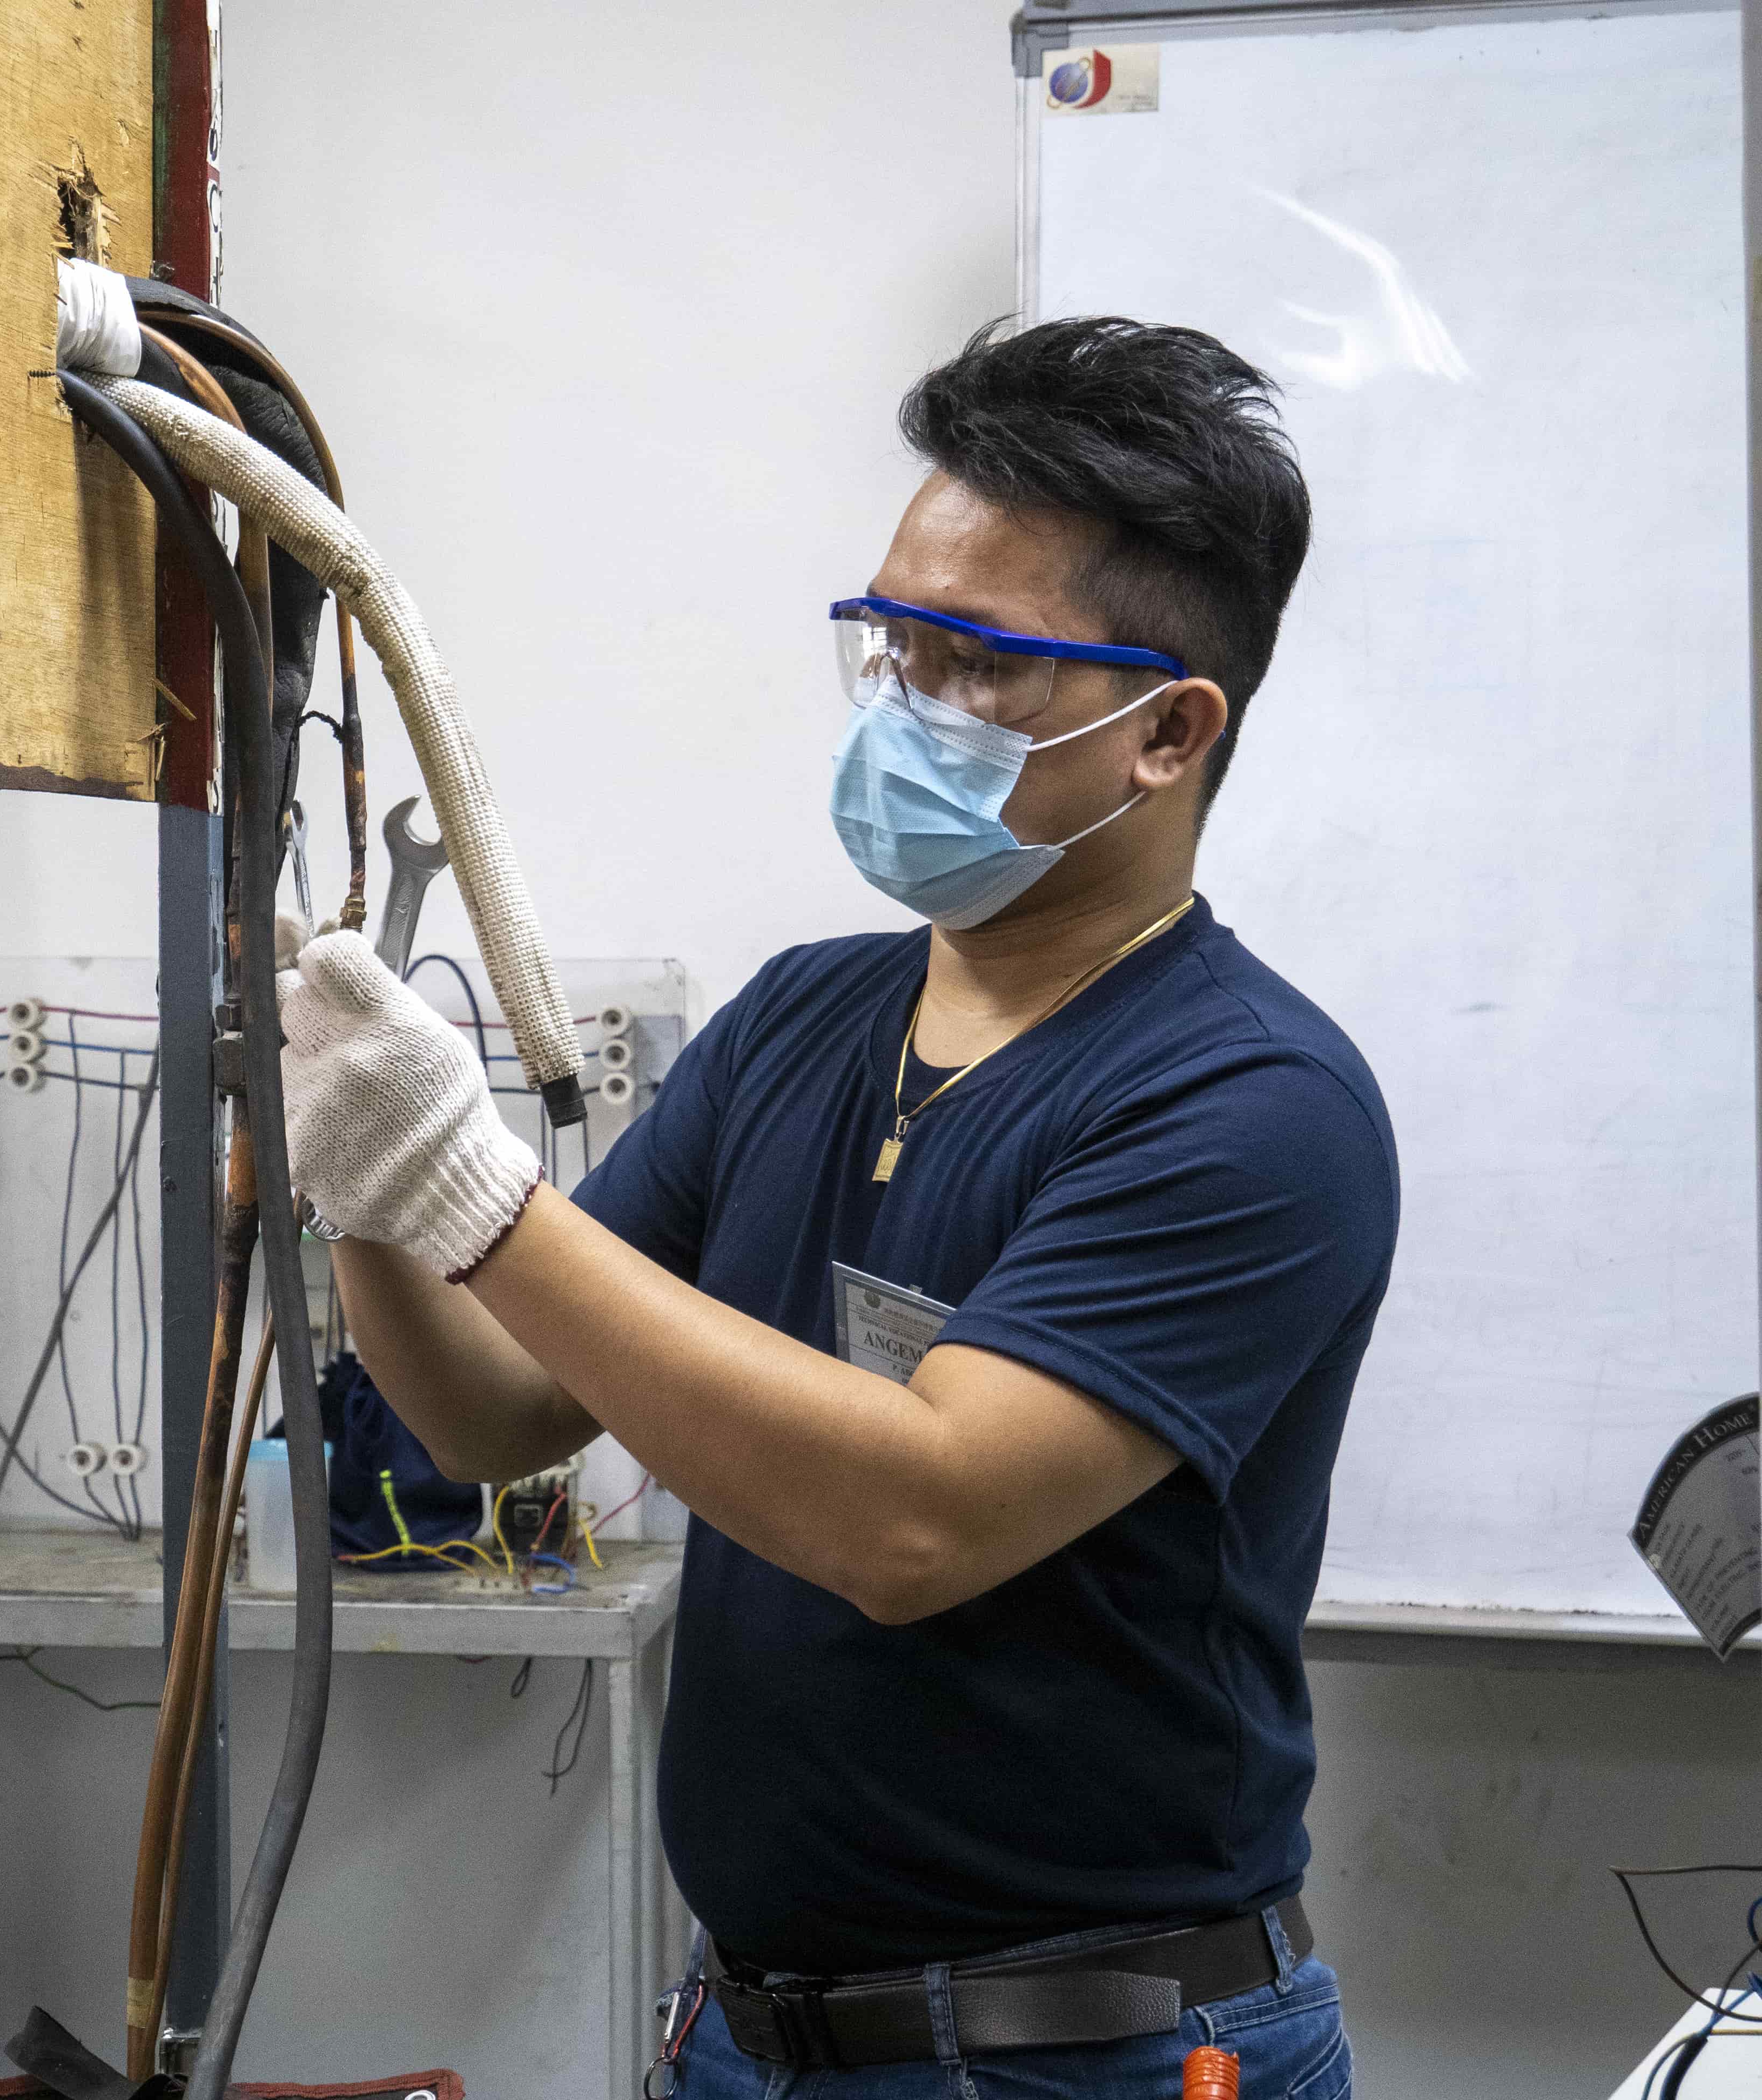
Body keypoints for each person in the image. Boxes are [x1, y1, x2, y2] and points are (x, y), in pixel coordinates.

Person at [282, 318, 1394, 2096]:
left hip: (1081, 2057)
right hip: (754, 2031)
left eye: (976, 665)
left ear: (1166, 732)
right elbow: (497, 1408)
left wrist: (467, 1184)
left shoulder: (1249, 1104)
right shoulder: (807, 1012)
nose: (903, 705)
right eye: (885, 641)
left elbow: (915, 1518)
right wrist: (358, 1180)